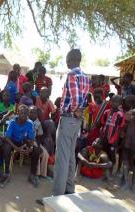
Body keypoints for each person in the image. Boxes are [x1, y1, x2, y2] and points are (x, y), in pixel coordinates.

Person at [52, 49, 90, 196]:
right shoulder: (86, 77)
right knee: (70, 155)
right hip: (77, 122)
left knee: (62, 157)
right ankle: (69, 189)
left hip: (68, 119)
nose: (66, 62)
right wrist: (79, 112)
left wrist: (74, 110)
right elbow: (85, 99)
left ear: (71, 59)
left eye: (67, 59)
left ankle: (57, 195)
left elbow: (75, 98)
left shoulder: (72, 75)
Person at [2, 105, 39, 186]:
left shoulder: (30, 123)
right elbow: (7, 138)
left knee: (36, 150)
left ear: (27, 114)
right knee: (7, 148)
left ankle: (32, 175)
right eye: (21, 113)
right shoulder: (12, 122)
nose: (23, 115)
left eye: (25, 113)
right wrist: (16, 148)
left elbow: (32, 138)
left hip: (23, 141)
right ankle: (6, 173)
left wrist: (31, 147)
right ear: (17, 113)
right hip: (12, 141)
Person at [120, 108, 135, 190]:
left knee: (133, 166)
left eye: (134, 114)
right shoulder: (128, 123)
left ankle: (132, 183)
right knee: (125, 163)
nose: (132, 116)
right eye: (131, 114)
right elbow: (123, 134)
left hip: (134, 149)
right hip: (126, 146)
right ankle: (125, 181)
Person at [100, 95, 125, 172]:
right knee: (104, 152)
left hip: (113, 140)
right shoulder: (106, 112)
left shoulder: (120, 114)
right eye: (112, 101)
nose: (113, 103)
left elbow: (121, 127)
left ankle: (110, 170)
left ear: (120, 103)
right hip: (105, 138)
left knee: (112, 155)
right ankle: (102, 170)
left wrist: (117, 140)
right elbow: (103, 124)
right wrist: (102, 135)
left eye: (116, 102)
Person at [29, 106, 49, 178]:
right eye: (30, 112)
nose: (32, 114)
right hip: (27, 140)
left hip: (35, 141)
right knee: (37, 150)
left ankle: (43, 173)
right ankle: (36, 172)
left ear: (36, 114)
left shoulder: (38, 123)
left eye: (34, 112)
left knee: (45, 153)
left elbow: (39, 136)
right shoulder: (26, 120)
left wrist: (39, 145)